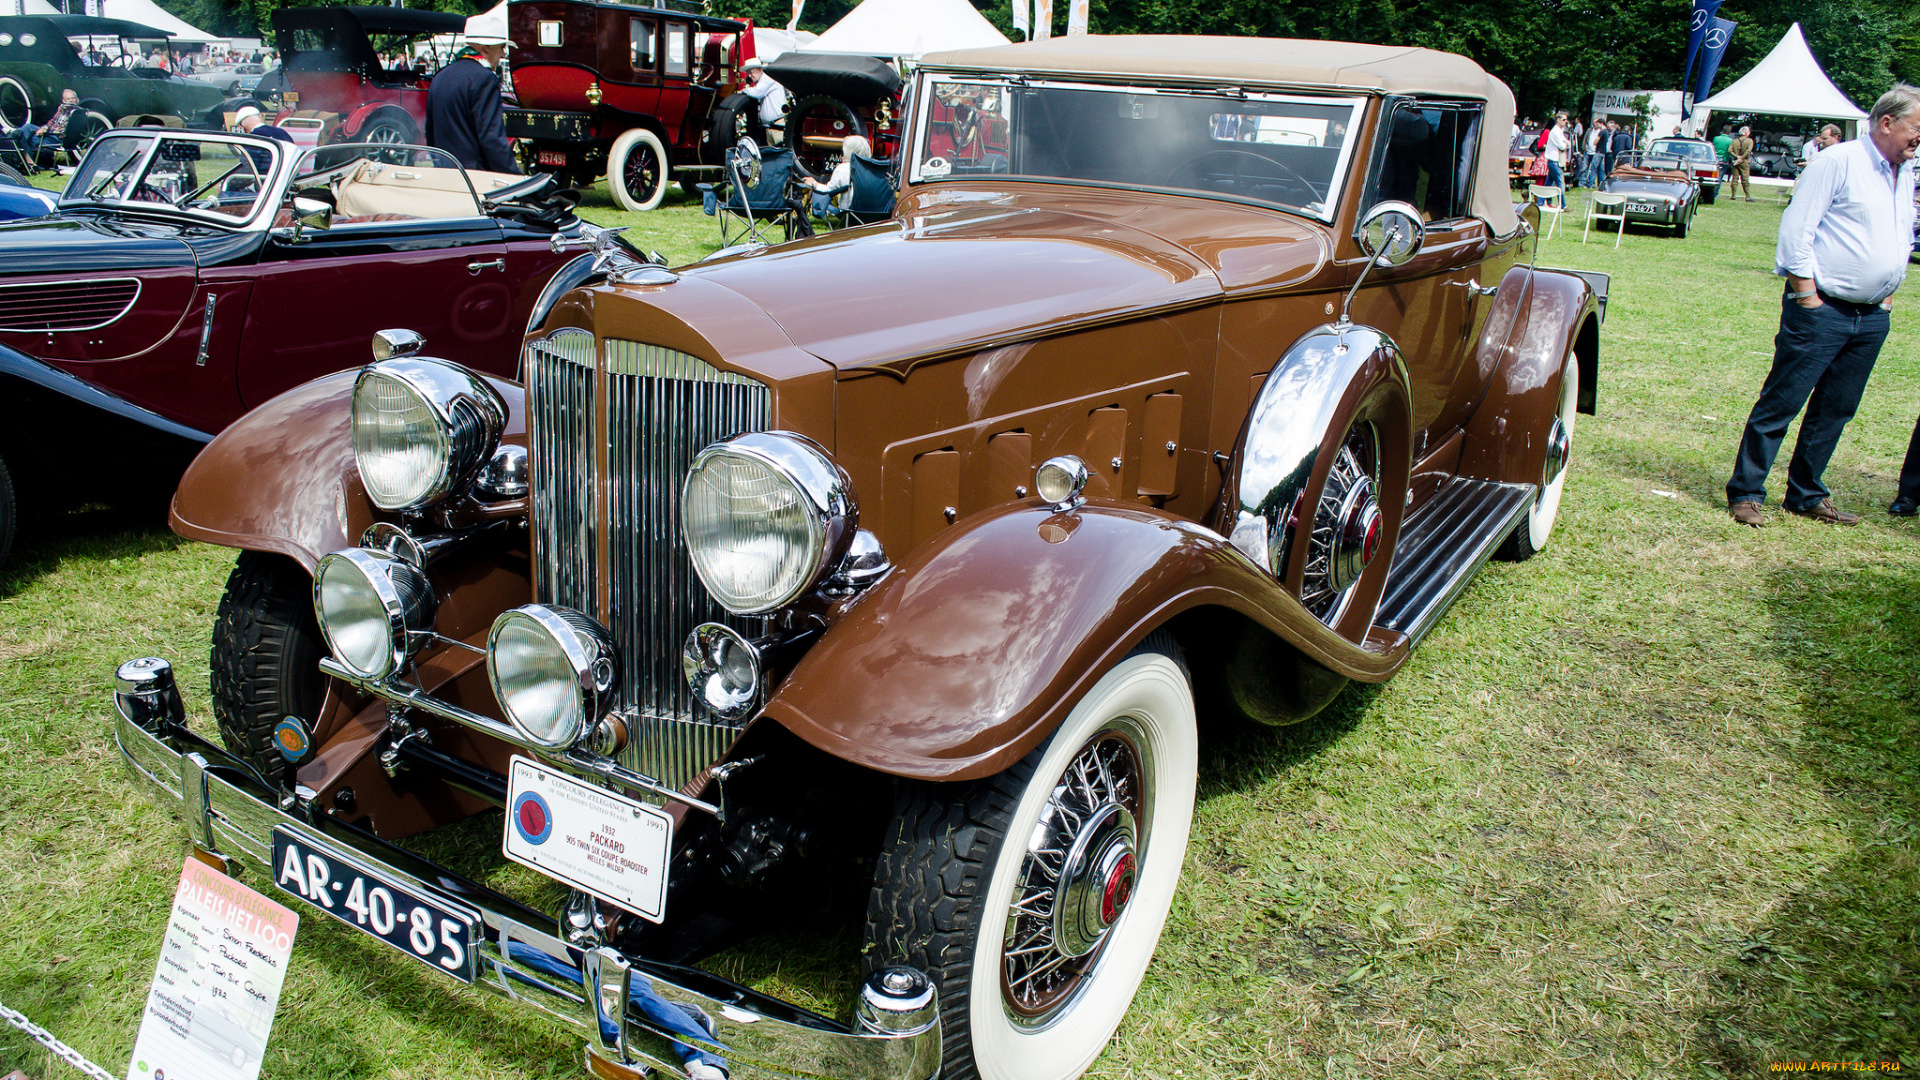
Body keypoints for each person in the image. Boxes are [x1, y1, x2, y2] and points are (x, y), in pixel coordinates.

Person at [1726, 84, 1918, 527]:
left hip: (1870, 316)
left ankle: (1806, 493)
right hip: (1821, 309)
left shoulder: (1902, 170)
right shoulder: (1838, 161)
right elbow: (1797, 229)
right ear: (1886, 122)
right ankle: (1747, 490)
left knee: (1836, 409)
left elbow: (1900, 232)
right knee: (1783, 402)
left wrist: (1887, 293)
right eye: (1916, 127)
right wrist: (1807, 295)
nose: (1919, 138)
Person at [426, 13, 520, 174]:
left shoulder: (440, 76)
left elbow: (430, 133)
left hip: (443, 173)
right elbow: (492, 139)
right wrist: (517, 178)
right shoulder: (485, 79)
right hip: (474, 177)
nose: (503, 54)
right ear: (486, 49)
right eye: (501, 48)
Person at [6, 88, 81, 173]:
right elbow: (52, 122)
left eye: (73, 98)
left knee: (22, 137)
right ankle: (13, 143)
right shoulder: (63, 109)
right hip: (49, 132)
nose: (70, 101)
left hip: (55, 138)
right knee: (28, 127)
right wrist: (45, 128)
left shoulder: (76, 113)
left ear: (77, 100)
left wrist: (49, 131)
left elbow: (66, 131)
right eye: (68, 99)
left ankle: (17, 152)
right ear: (63, 100)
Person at [799, 134, 870, 216]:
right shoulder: (873, 168)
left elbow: (828, 191)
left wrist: (813, 184)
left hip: (850, 215)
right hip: (875, 216)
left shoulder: (843, 168)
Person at [740, 57, 787, 141]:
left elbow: (757, 93)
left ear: (760, 69)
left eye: (751, 72)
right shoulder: (759, 82)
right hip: (769, 126)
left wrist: (743, 90)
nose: (750, 76)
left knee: (779, 151)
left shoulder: (768, 78)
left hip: (777, 126)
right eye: (748, 73)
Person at [1544, 112, 1569, 200]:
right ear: (1558, 120)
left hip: (1556, 161)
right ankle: (1563, 205)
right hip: (1554, 161)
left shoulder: (1560, 131)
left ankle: (1541, 201)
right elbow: (1562, 146)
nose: (1566, 122)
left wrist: (1566, 144)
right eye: (1564, 120)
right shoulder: (1555, 131)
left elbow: (1567, 143)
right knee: (1560, 183)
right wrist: (1565, 144)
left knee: (1548, 183)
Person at [1727, 125, 1755, 200]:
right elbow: (1748, 150)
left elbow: (1729, 150)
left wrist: (1736, 157)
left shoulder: (1735, 141)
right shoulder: (1749, 141)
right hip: (1744, 161)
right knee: (1745, 179)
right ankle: (1748, 196)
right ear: (1746, 133)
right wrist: (1742, 158)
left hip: (1735, 161)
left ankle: (1733, 195)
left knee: (1734, 179)